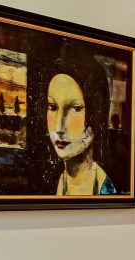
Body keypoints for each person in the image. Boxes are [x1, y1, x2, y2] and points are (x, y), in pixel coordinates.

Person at [44, 57, 120, 196]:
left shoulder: (105, 191)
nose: (59, 127)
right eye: (52, 107)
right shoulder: (61, 182)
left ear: (96, 115)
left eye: (76, 108)